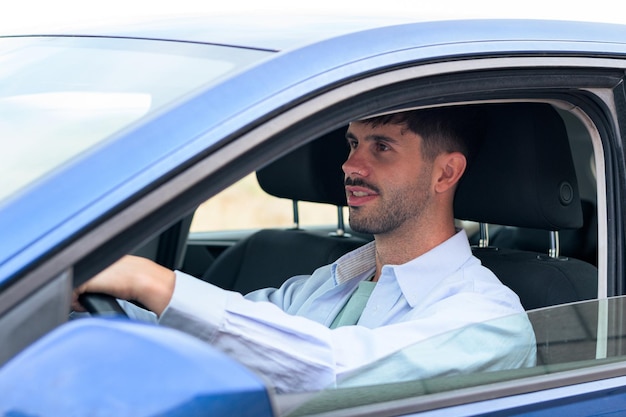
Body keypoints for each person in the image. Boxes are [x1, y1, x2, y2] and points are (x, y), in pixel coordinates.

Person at [73, 107, 536, 393]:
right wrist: (77, 299)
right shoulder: (332, 282)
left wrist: (150, 280)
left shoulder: (489, 320)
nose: (351, 165)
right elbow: (221, 337)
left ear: (445, 174)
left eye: (382, 147)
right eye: (353, 143)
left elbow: (334, 373)